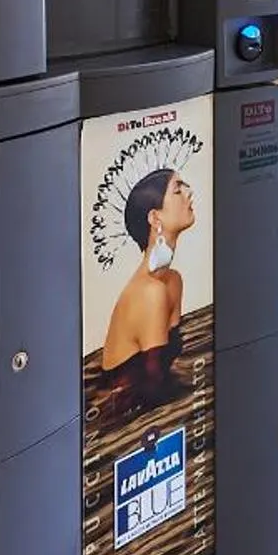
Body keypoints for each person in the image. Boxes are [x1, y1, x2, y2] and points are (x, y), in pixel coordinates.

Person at [99, 167, 196, 408]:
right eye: (178, 190)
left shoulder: (172, 281)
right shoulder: (150, 293)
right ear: (155, 218)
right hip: (117, 416)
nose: (189, 193)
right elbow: (154, 387)